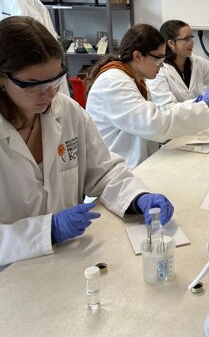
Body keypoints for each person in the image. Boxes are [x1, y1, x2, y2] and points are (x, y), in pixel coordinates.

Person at [0, 16, 174, 268]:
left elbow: (104, 172)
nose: (49, 94)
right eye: (33, 85)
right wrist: (46, 230)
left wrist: (138, 197)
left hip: (70, 259)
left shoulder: (67, 111)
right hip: (10, 276)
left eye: (55, 79)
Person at [86, 24, 209, 169]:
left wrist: (194, 104)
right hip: (115, 172)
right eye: (158, 58)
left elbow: (158, 111)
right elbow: (153, 123)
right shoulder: (113, 83)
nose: (161, 65)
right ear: (137, 56)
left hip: (136, 163)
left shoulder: (135, 79)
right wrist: (202, 108)